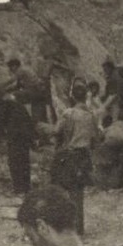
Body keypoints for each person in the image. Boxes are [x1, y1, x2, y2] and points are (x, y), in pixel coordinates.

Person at [39, 84, 101, 235]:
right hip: (84, 156)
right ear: (85, 96)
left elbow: (56, 131)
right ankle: (78, 229)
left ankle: (56, 226)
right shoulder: (92, 115)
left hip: (69, 156)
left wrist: (43, 127)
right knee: (77, 193)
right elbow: (96, 139)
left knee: (56, 189)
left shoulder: (69, 113)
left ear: (72, 96)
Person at [2, 94, 35, 195]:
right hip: (24, 140)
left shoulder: (10, 110)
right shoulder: (21, 108)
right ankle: (26, 187)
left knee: (15, 163)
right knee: (24, 163)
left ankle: (18, 189)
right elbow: (30, 124)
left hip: (15, 141)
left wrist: (8, 137)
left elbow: (9, 126)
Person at [4, 58, 48, 123]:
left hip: (34, 91)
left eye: (11, 67)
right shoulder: (23, 71)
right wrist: (7, 89)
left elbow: (11, 81)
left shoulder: (20, 70)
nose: (10, 69)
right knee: (37, 117)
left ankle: (17, 118)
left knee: (12, 97)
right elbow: (17, 86)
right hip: (37, 92)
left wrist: (0, 85)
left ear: (15, 66)